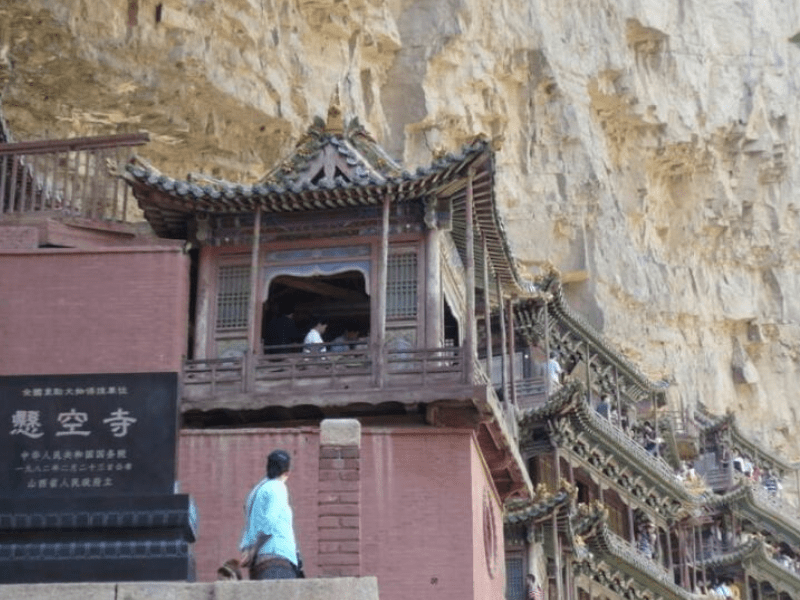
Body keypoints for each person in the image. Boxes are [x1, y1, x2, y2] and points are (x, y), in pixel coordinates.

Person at [239, 449, 301, 579]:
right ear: (287, 472)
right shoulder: (278, 487)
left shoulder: (255, 492)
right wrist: (254, 549)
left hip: (259, 563)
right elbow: (269, 523)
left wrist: (250, 549)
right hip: (277, 558)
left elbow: (251, 525)